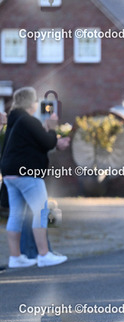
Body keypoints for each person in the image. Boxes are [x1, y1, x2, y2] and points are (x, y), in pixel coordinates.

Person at [1, 87, 69, 268]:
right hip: (27, 173)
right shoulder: (27, 120)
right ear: (30, 103)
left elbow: (32, 143)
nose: (37, 104)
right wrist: (52, 129)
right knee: (41, 211)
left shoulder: (15, 121)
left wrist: (47, 131)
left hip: (9, 174)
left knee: (16, 214)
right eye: (36, 101)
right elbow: (47, 142)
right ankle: (44, 255)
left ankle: (15, 257)